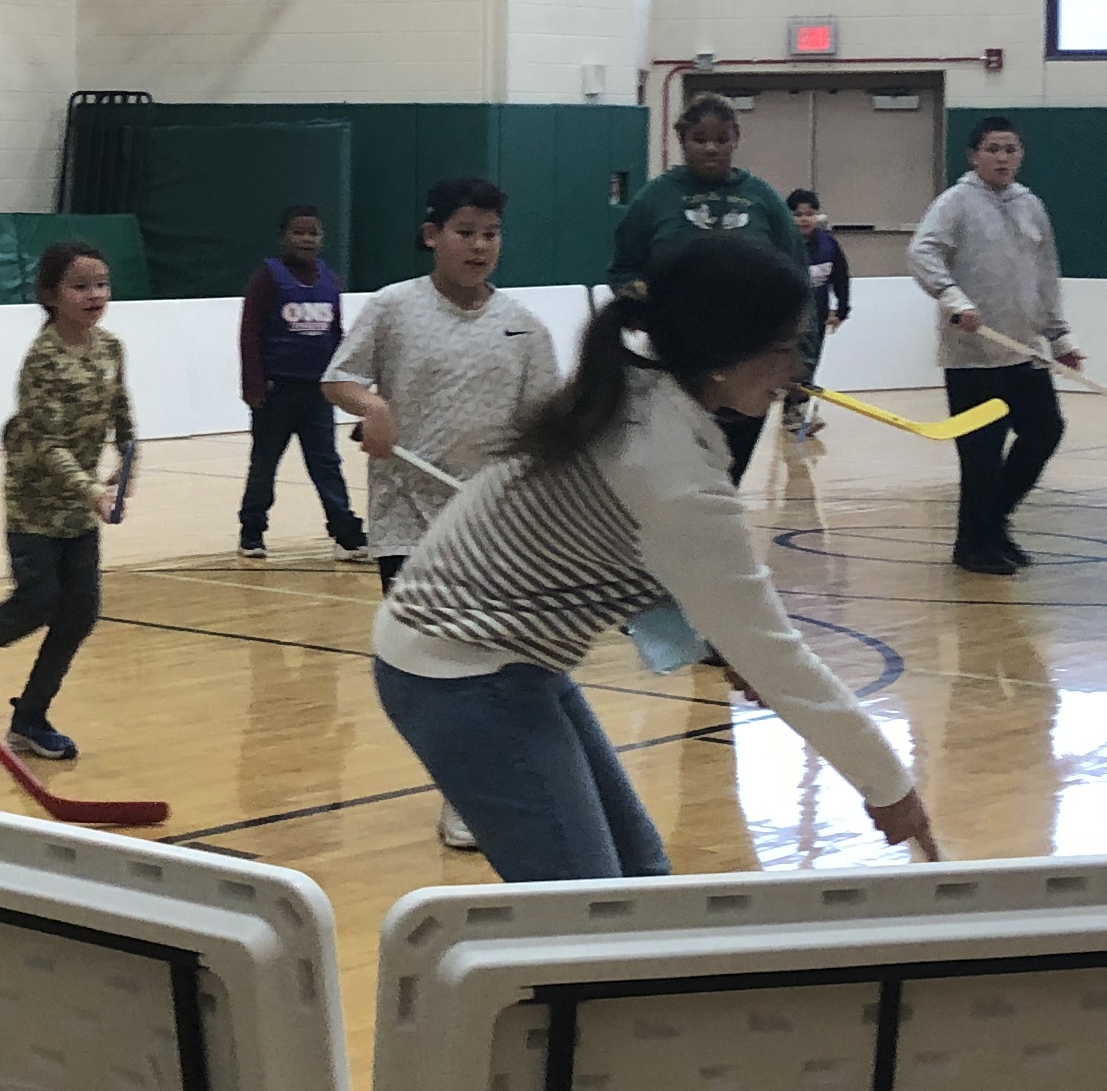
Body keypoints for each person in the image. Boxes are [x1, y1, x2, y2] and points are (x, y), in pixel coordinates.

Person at [375, 236, 935, 882]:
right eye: (781, 347)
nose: (795, 370)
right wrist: (888, 785)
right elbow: (775, 654)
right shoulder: (669, 467)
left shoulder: (643, 383)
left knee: (640, 882)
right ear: (721, 354)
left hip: (506, 661)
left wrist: (713, 644)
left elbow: (617, 559)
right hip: (458, 670)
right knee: (592, 915)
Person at [0, 241, 133, 763]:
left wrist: (128, 459)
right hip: (35, 507)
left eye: (102, 284)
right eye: (80, 286)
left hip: (79, 509)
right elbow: (44, 442)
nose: (95, 295)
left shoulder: (111, 348)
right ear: (50, 295)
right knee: (36, 604)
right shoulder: (42, 360)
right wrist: (90, 488)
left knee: (80, 614)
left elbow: (121, 409)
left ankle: (30, 717)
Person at [329, 176, 561, 587]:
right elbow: (338, 380)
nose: (479, 245)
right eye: (466, 232)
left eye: (491, 234)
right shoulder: (392, 308)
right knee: (415, 646)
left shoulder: (525, 328)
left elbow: (545, 425)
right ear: (432, 236)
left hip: (492, 523)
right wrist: (373, 407)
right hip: (406, 521)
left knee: (482, 646)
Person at [906, 118, 1081, 576]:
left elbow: (1046, 274)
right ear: (974, 155)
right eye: (993, 149)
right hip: (973, 355)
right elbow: (922, 251)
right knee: (981, 453)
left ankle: (992, 522)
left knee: (1045, 431)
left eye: (1011, 149)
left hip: (1024, 351)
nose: (1003, 158)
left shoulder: (1030, 205)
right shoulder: (955, 203)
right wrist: (953, 300)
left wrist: (1059, 336)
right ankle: (972, 544)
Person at [613, 94, 805, 478]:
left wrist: (802, 360)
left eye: (721, 138)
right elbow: (623, 271)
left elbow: (797, 282)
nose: (711, 148)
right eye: (700, 139)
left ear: (736, 139)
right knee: (676, 474)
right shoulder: (654, 198)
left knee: (728, 476)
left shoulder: (763, 199)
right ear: (682, 141)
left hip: (748, 363)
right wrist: (646, 307)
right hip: (677, 365)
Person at [234, 205, 368, 564]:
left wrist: (344, 380)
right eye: (299, 232)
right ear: (284, 237)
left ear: (322, 239)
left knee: (326, 464)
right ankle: (252, 532)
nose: (306, 239)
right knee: (264, 464)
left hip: (317, 392)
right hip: (276, 391)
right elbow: (249, 333)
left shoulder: (330, 280)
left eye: (313, 233)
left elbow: (337, 335)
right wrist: (253, 385)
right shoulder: (268, 276)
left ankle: (345, 534)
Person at [788, 186, 851, 442]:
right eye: (798, 214)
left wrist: (842, 311)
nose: (804, 219)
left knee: (809, 364)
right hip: (788, 319)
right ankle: (797, 413)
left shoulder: (828, 244)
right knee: (797, 365)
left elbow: (841, 278)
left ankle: (795, 413)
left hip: (819, 317)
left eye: (810, 213)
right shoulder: (782, 244)